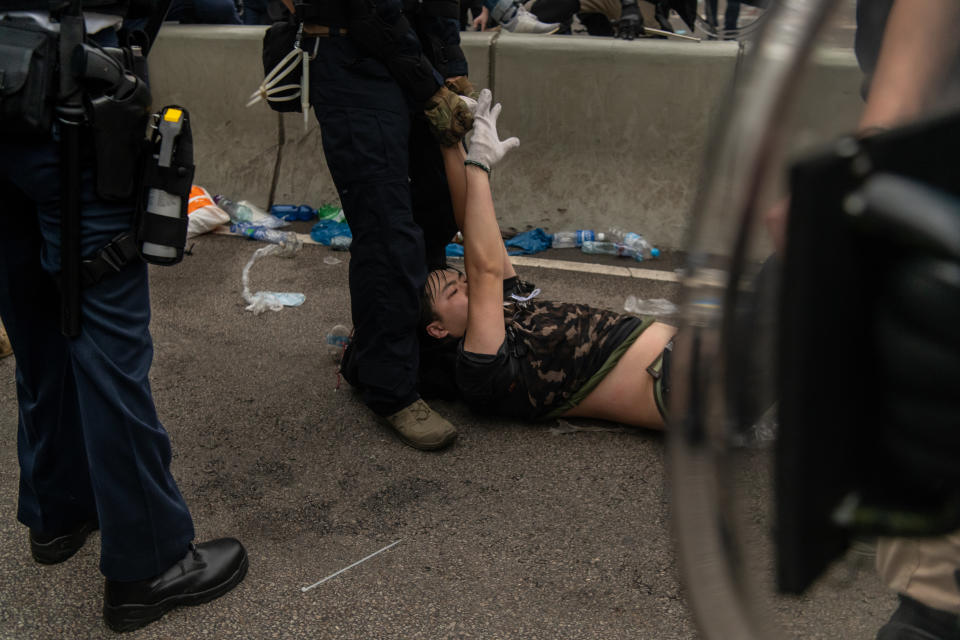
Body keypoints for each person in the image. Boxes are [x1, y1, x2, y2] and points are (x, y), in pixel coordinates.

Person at [0, 4, 246, 633]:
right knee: (107, 347)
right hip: (71, 101)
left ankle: (59, 511)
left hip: (14, 83)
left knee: (37, 326)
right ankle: (149, 562)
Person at [277, 0, 476, 451]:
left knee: (435, 215)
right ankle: (390, 390)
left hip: (413, 58)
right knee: (389, 234)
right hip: (354, 59)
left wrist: (451, 68)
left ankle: (398, 355)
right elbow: (370, 10)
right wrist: (430, 87)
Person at [419, 90, 677, 429]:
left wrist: (450, 142)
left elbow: (475, 229)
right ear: (437, 329)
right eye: (453, 292)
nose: (465, 285)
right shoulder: (479, 369)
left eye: (460, 280)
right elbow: (483, 269)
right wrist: (478, 164)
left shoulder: (508, 308)